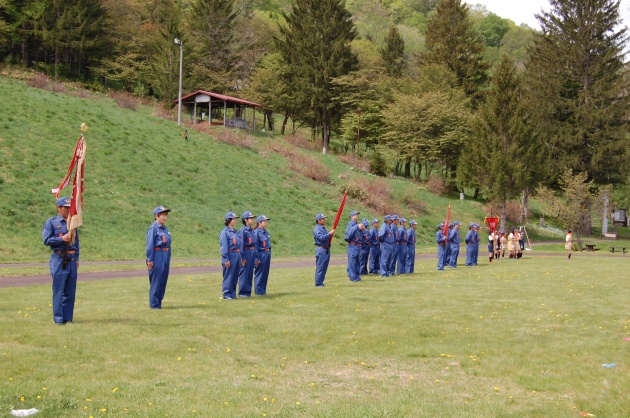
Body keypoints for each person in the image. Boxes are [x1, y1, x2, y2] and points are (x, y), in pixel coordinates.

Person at [43, 196, 80, 325]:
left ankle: (68, 318)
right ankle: (58, 319)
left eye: (69, 208)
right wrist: (61, 239)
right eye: (65, 208)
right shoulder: (52, 222)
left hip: (71, 259)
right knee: (59, 291)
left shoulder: (72, 222)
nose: (67, 210)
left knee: (70, 291)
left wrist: (77, 257)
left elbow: (77, 242)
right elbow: (46, 240)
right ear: (58, 208)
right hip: (59, 259)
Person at [146, 205, 172, 309]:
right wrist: (150, 259)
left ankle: (159, 303)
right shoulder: (153, 228)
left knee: (163, 279)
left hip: (165, 255)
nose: (165, 217)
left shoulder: (165, 229)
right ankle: (154, 305)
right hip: (157, 255)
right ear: (157, 216)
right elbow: (150, 245)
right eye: (163, 215)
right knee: (156, 280)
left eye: (166, 215)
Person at [220, 212, 243, 300]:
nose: (235, 221)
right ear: (228, 220)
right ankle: (227, 294)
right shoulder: (225, 232)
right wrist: (226, 259)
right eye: (233, 219)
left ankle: (233, 293)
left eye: (235, 219)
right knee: (229, 275)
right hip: (230, 254)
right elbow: (224, 246)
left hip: (237, 254)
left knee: (235, 275)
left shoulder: (235, 232)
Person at [313, 213, 335, 286]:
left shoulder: (323, 228)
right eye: (323, 219)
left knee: (324, 267)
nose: (324, 220)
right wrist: (330, 234)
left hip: (326, 249)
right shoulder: (317, 229)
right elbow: (321, 238)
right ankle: (318, 283)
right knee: (320, 267)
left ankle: (321, 282)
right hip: (321, 249)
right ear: (319, 220)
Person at [238, 211, 256, 297]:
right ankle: (243, 293)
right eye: (250, 218)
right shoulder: (243, 230)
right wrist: (242, 257)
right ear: (245, 220)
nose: (252, 220)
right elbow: (241, 244)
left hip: (252, 251)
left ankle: (248, 292)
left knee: (250, 273)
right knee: (244, 272)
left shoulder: (252, 230)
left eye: (253, 218)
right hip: (246, 251)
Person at [254, 215, 272, 294]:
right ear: (259, 223)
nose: (266, 223)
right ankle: (258, 291)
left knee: (265, 273)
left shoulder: (265, 232)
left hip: (267, 253)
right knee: (260, 273)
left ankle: (263, 290)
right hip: (261, 253)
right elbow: (255, 246)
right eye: (264, 221)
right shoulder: (257, 232)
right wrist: (256, 258)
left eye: (266, 221)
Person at [344, 210, 365, 282]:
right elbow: (347, 235)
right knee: (352, 262)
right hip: (353, 245)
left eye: (357, 215)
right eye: (355, 215)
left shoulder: (357, 224)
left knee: (357, 262)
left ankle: (357, 276)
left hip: (358, 245)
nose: (357, 216)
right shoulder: (351, 224)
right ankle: (352, 277)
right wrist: (357, 227)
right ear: (352, 216)